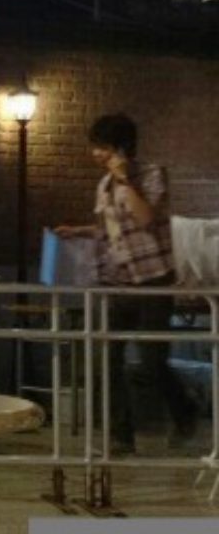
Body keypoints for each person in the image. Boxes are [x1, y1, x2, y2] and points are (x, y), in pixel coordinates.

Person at [54, 113, 196, 454]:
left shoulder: (151, 174)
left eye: (102, 147)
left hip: (152, 279)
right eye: (95, 148)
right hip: (116, 281)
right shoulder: (103, 185)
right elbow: (110, 230)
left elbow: (146, 218)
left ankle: (185, 411)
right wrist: (78, 231)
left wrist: (124, 180)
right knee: (107, 359)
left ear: (120, 148)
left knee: (152, 362)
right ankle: (121, 436)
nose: (96, 154)